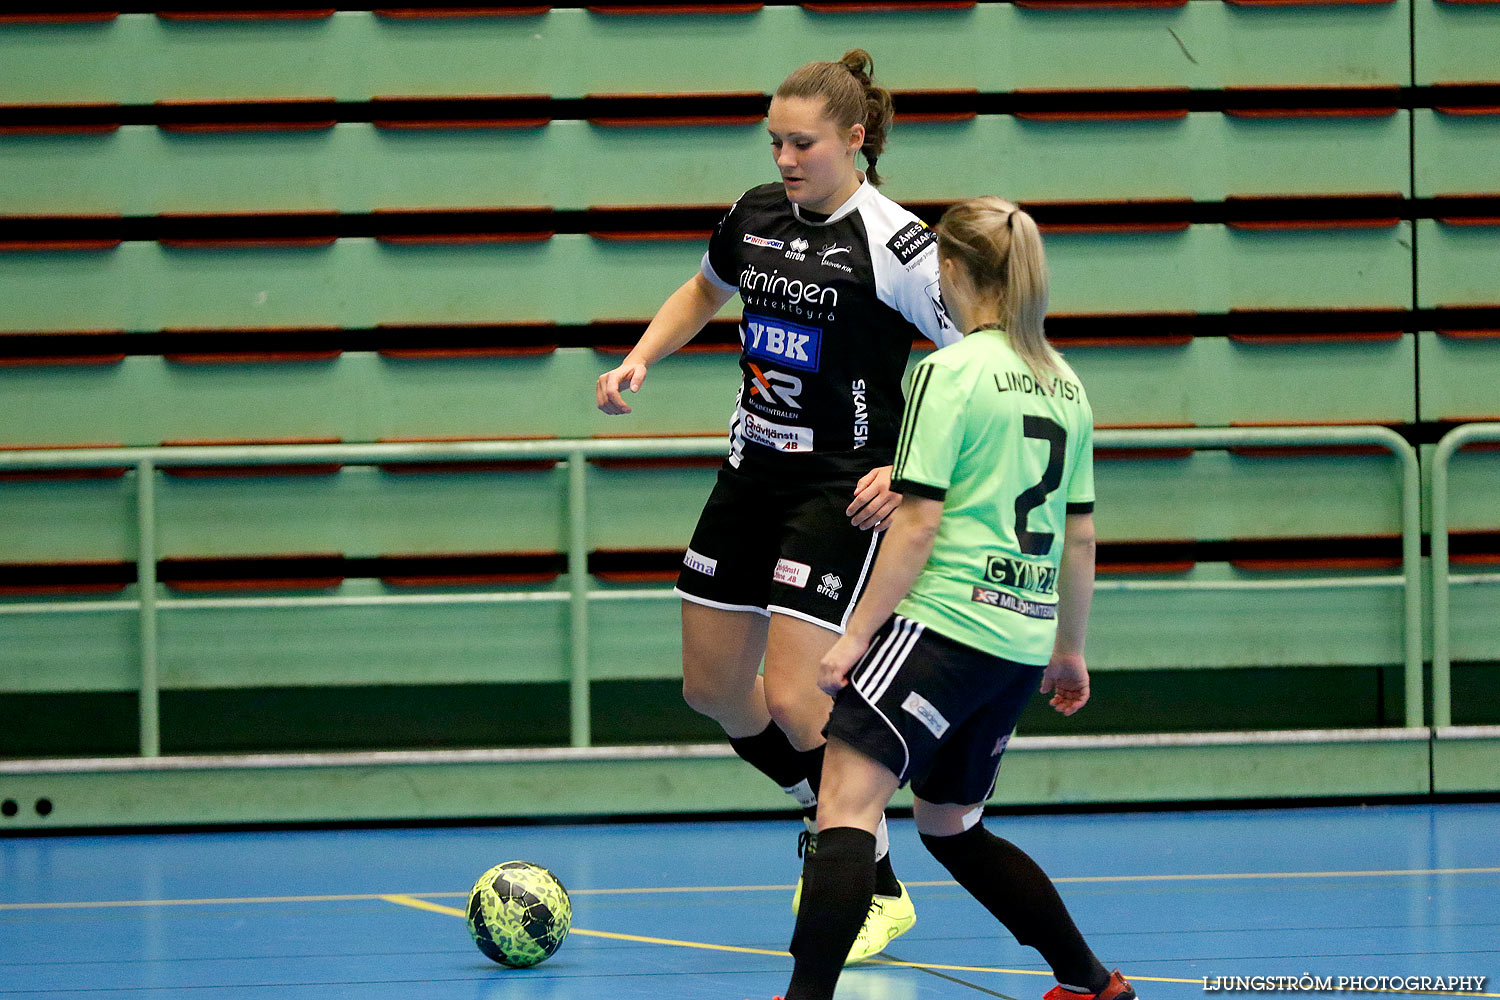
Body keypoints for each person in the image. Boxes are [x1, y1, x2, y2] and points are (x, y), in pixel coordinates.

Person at [596, 49, 960, 963]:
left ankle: (867, 873)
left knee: (802, 697)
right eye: (775, 141)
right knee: (713, 689)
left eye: (802, 143)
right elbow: (701, 289)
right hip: (748, 474)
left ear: (855, 139)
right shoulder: (756, 215)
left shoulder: (898, 242)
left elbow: (975, 362)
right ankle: (828, 815)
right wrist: (644, 356)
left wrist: (913, 468)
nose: (785, 158)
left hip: (841, 488)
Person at [768, 197, 1136, 1000]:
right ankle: (1089, 982)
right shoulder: (1065, 384)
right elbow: (1080, 537)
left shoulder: (947, 370)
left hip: (943, 626)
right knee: (952, 826)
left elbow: (917, 524)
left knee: (845, 807)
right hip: (1018, 639)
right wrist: (1069, 651)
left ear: (957, 271)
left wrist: (853, 637)